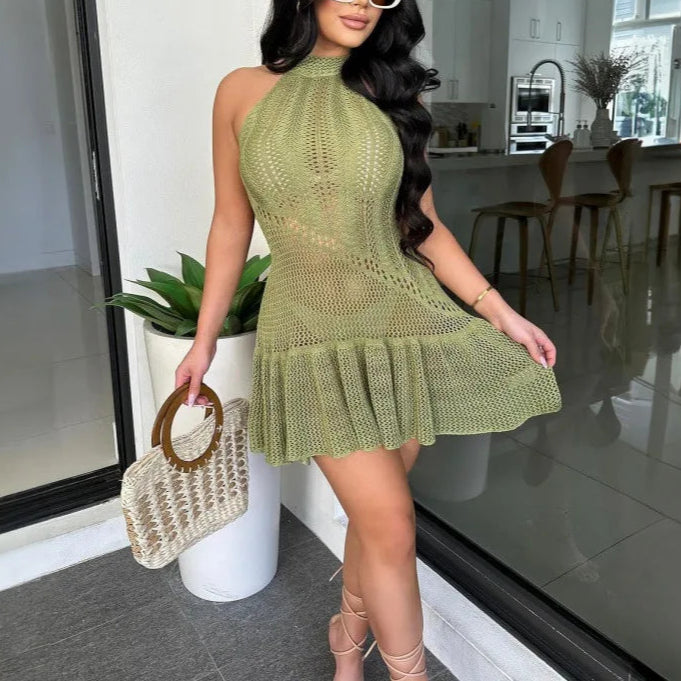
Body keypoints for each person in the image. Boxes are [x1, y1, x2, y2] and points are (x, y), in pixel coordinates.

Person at [174, 0, 561, 679]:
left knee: (376, 521)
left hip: (400, 331)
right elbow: (231, 223)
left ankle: (346, 640)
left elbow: (422, 227)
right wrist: (205, 340)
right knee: (390, 523)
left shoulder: (393, 92)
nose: (362, 2)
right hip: (310, 338)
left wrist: (499, 310)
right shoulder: (241, 91)